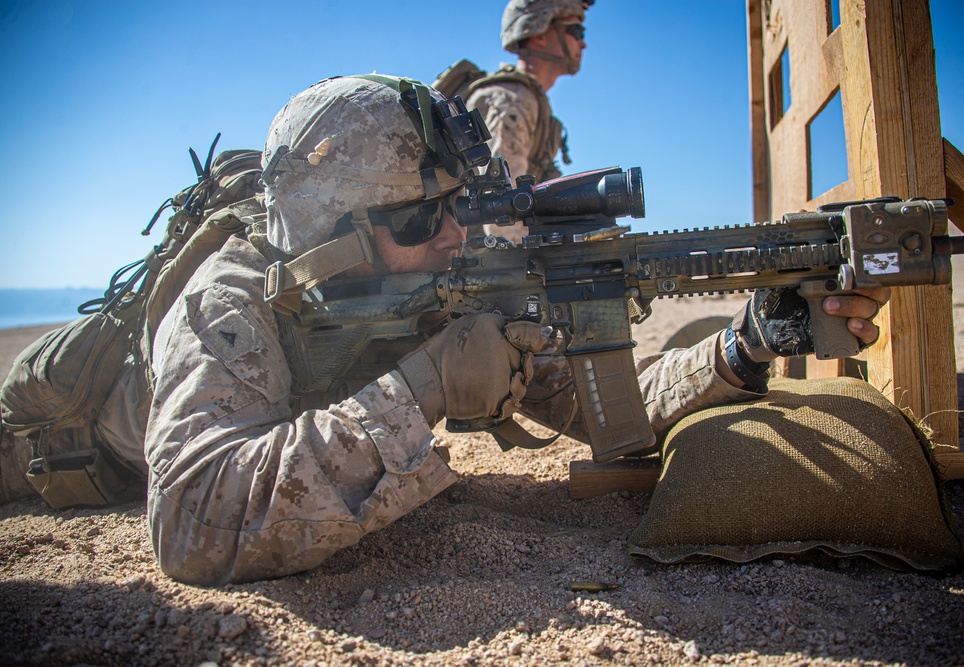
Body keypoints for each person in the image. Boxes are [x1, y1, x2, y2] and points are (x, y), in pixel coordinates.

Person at [1, 74, 889, 586]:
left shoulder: (444, 282)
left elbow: (601, 409)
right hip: (69, 450)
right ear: (334, 241)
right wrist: (423, 387)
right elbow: (192, 522)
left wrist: (746, 343)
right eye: (425, 220)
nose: (456, 235)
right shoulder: (225, 297)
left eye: (458, 207)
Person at [463, 0, 591, 245]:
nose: (583, 43)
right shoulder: (511, 99)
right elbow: (502, 206)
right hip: (482, 259)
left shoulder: (530, 100)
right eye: (575, 32)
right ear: (539, 35)